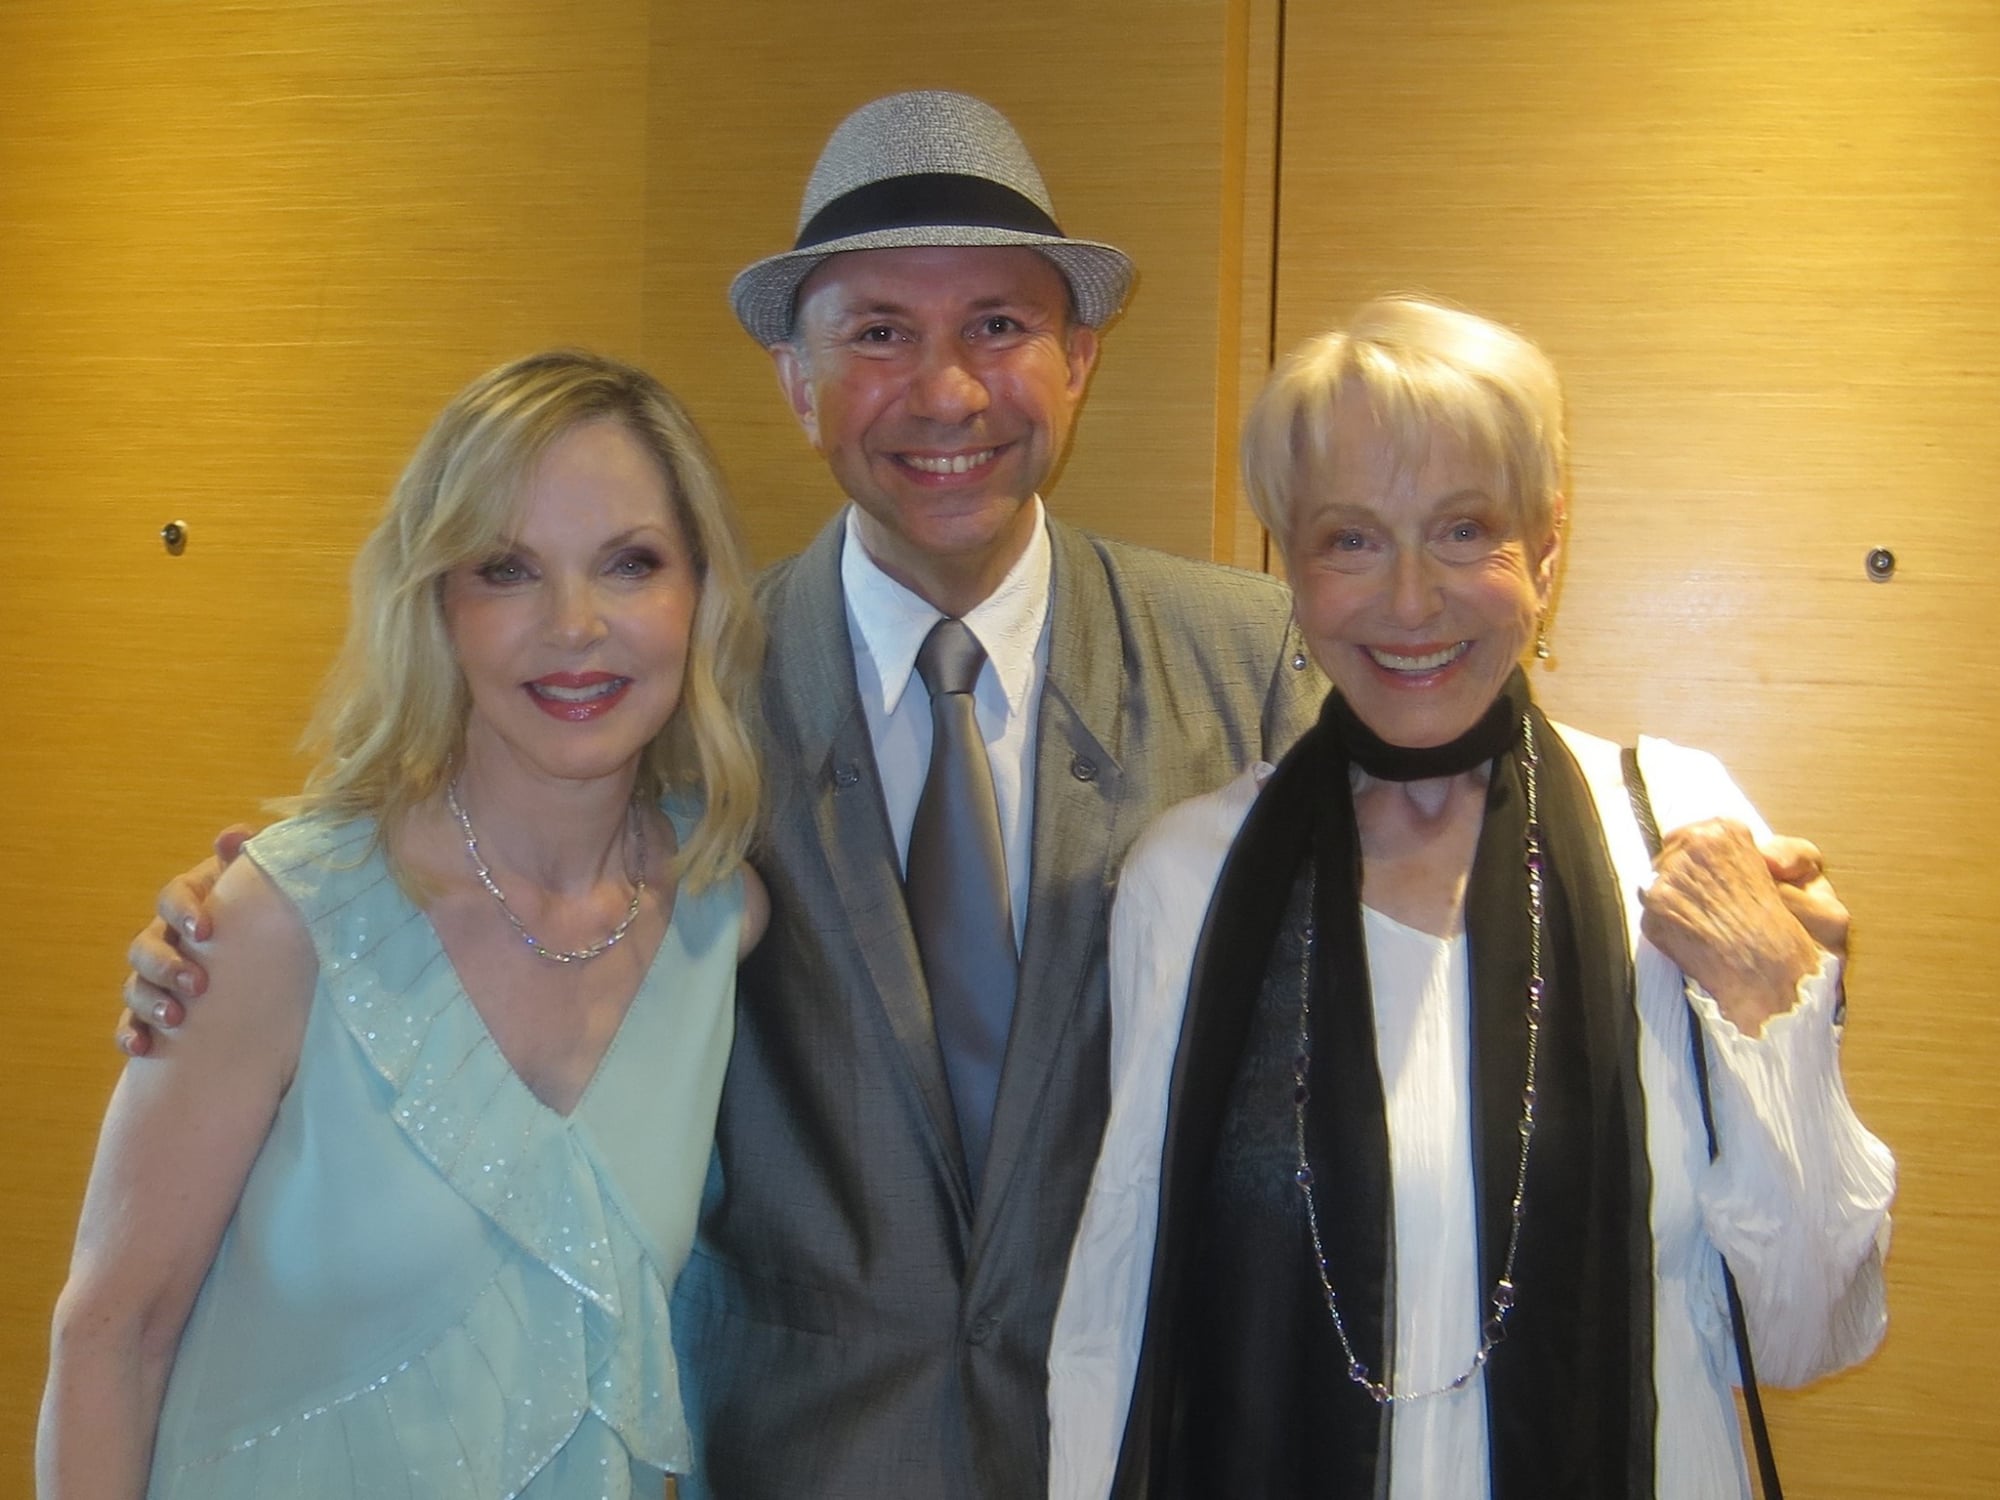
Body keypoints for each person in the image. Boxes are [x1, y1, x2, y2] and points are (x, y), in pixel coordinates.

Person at [113, 101, 1841, 1500]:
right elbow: (486, 844)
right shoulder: (676, 693)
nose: (943, 392)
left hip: (1164, 1443)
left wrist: (1727, 897)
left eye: (998, 326)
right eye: (876, 333)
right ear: (796, 382)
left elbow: (1454, 705)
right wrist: (246, 911)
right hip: (791, 1465)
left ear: (1077, 360)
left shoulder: (1256, 658)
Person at [1047, 296, 1895, 1499]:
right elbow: (1114, 1311)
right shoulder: (1188, 877)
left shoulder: (1673, 830)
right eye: (1348, 539)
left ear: (1545, 550)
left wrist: (1776, 1011)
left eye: (1461, 530)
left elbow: (1807, 1331)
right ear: (1289, 564)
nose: (1406, 601)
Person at [42, 350, 768, 1498]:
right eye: (508, 570)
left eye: (629, 564)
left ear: (698, 595)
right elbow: (108, 1339)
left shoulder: (720, 913)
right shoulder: (279, 924)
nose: (575, 626)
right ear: (439, 603)